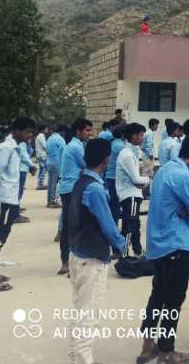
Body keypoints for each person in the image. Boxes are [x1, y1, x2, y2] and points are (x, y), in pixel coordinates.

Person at [138, 135, 189, 364]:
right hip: (175, 243)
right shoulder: (184, 176)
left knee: (157, 296)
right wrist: (188, 210)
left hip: (156, 243)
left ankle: (148, 346)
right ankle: (167, 350)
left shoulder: (163, 170)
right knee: (174, 299)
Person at [67, 138, 127, 364]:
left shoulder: (80, 182)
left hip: (77, 254)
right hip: (91, 259)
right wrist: (121, 245)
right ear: (106, 160)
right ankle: (83, 360)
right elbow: (108, 225)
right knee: (89, 315)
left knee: (79, 309)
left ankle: (76, 357)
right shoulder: (94, 189)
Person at [0, 117, 36, 291]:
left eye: (31, 132)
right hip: (2, 200)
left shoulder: (15, 148)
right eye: (27, 132)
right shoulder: (6, 148)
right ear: (16, 131)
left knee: (1, 238)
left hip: (10, 200)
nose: (30, 136)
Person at [58, 117, 93, 275]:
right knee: (71, 226)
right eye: (87, 130)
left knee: (73, 225)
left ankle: (70, 261)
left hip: (71, 188)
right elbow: (87, 165)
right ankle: (66, 262)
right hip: (72, 189)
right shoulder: (75, 147)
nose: (90, 133)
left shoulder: (76, 145)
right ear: (78, 131)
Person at [116, 122, 150, 256]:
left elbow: (136, 180)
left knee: (134, 225)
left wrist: (141, 182)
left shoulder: (132, 152)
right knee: (130, 226)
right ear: (134, 136)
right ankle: (124, 254)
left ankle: (137, 251)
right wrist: (148, 180)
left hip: (132, 194)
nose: (142, 138)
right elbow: (136, 179)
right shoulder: (127, 155)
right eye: (141, 135)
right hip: (129, 195)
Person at [45, 124, 67, 208]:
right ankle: (53, 202)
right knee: (56, 183)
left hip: (49, 162)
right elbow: (64, 151)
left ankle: (49, 201)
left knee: (50, 182)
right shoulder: (60, 139)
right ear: (62, 131)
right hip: (57, 163)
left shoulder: (49, 138)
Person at [35, 123, 49, 190]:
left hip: (39, 155)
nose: (47, 130)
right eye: (46, 128)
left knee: (41, 169)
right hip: (42, 155)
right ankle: (40, 183)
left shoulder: (39, 136)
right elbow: (45, 146)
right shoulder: (41, 136)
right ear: (43, 130)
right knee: (44, 169)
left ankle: (40, 183)